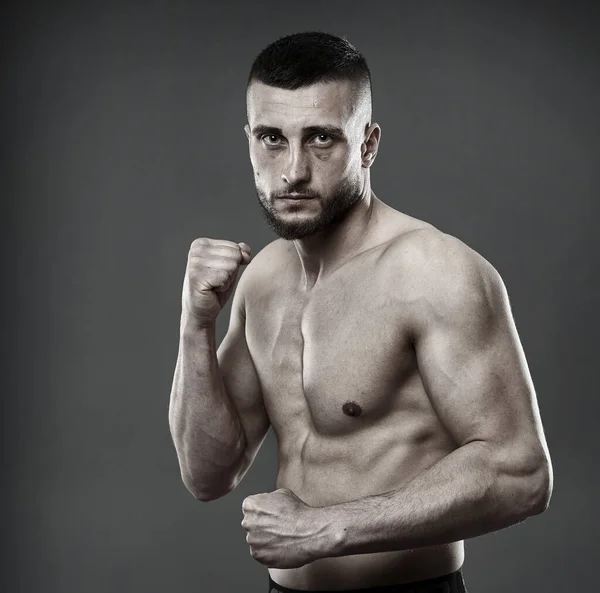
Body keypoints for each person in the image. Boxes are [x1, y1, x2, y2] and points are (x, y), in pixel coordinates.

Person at [168, 31, 553, 593]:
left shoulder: (431, 272)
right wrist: (194, 323)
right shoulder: (265, 280)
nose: (293, 170)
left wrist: (331, 526)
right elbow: (207, 474)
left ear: (368, 144)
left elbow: (522, 473)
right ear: (249, 140)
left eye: (321, 139)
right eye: (273, 138)